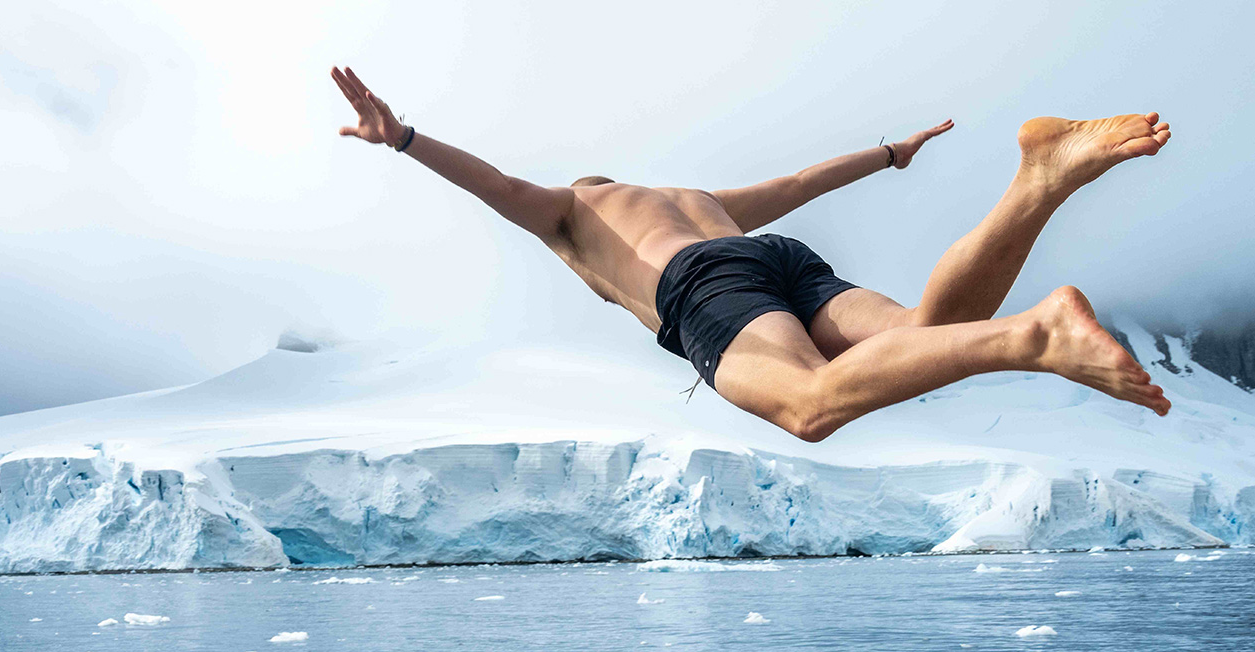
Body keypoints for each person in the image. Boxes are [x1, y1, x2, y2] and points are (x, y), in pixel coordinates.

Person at [330, 65, 1174, 442]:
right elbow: (803, 180)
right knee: (925, 330)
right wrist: (889, 153)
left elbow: (497, 185)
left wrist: (401, 137)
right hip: (775, 255)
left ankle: (1035, 339)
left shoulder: (575, 210)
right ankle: (1039, 180)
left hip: (704, 285)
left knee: (808, 408)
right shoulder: (698, 200)